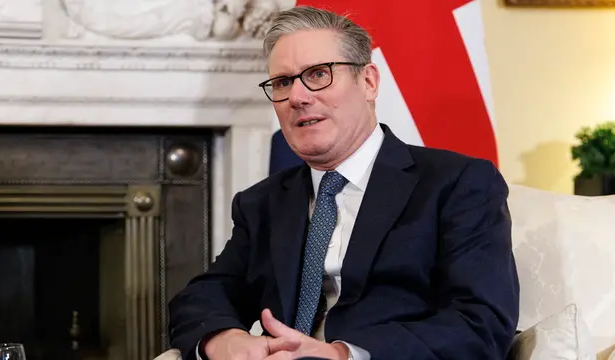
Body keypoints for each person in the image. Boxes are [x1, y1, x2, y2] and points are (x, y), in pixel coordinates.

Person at [168, 5, 520, 360]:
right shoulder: (262, 203)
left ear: (368, 82)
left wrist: (342, 355)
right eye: (283, 82)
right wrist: (226, 340)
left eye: (319, 74)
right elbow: (203, 297)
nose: (297, 97)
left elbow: (480, 323)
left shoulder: (456, 184)